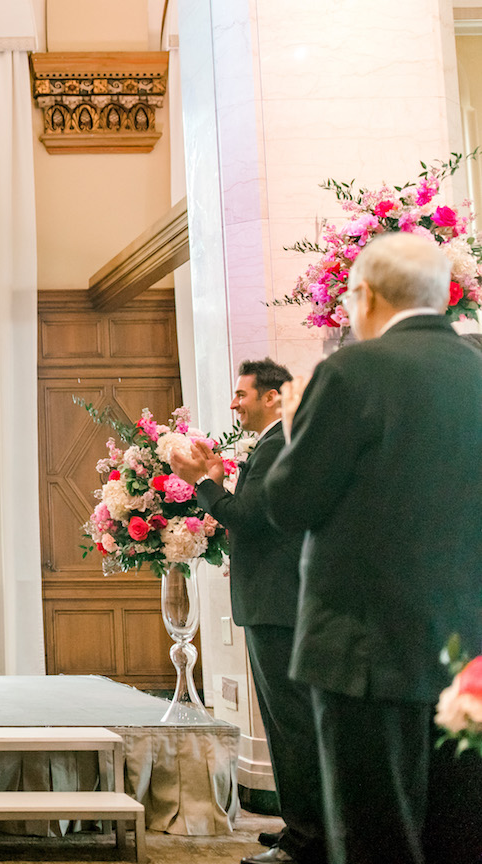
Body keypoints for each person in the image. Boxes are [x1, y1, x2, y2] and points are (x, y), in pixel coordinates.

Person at [262, 232, 482, 864]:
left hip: (364, 648)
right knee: (459, 834)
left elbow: (289, 505)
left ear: (363, 295)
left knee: (372, 836)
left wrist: (293, 425)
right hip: (465, 650)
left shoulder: (351, 372)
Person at [171, 358, 325, 864]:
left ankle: (307, 841)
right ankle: (296, 827)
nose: (234, 402)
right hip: (272, 601)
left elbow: (251, 520)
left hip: (278, 604)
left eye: (242, 394)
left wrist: (203, 483)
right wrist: (216, 477)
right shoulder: (271, 444)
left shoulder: (280, 444)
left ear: (273, 397)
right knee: (286, 728)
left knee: (293, 728)